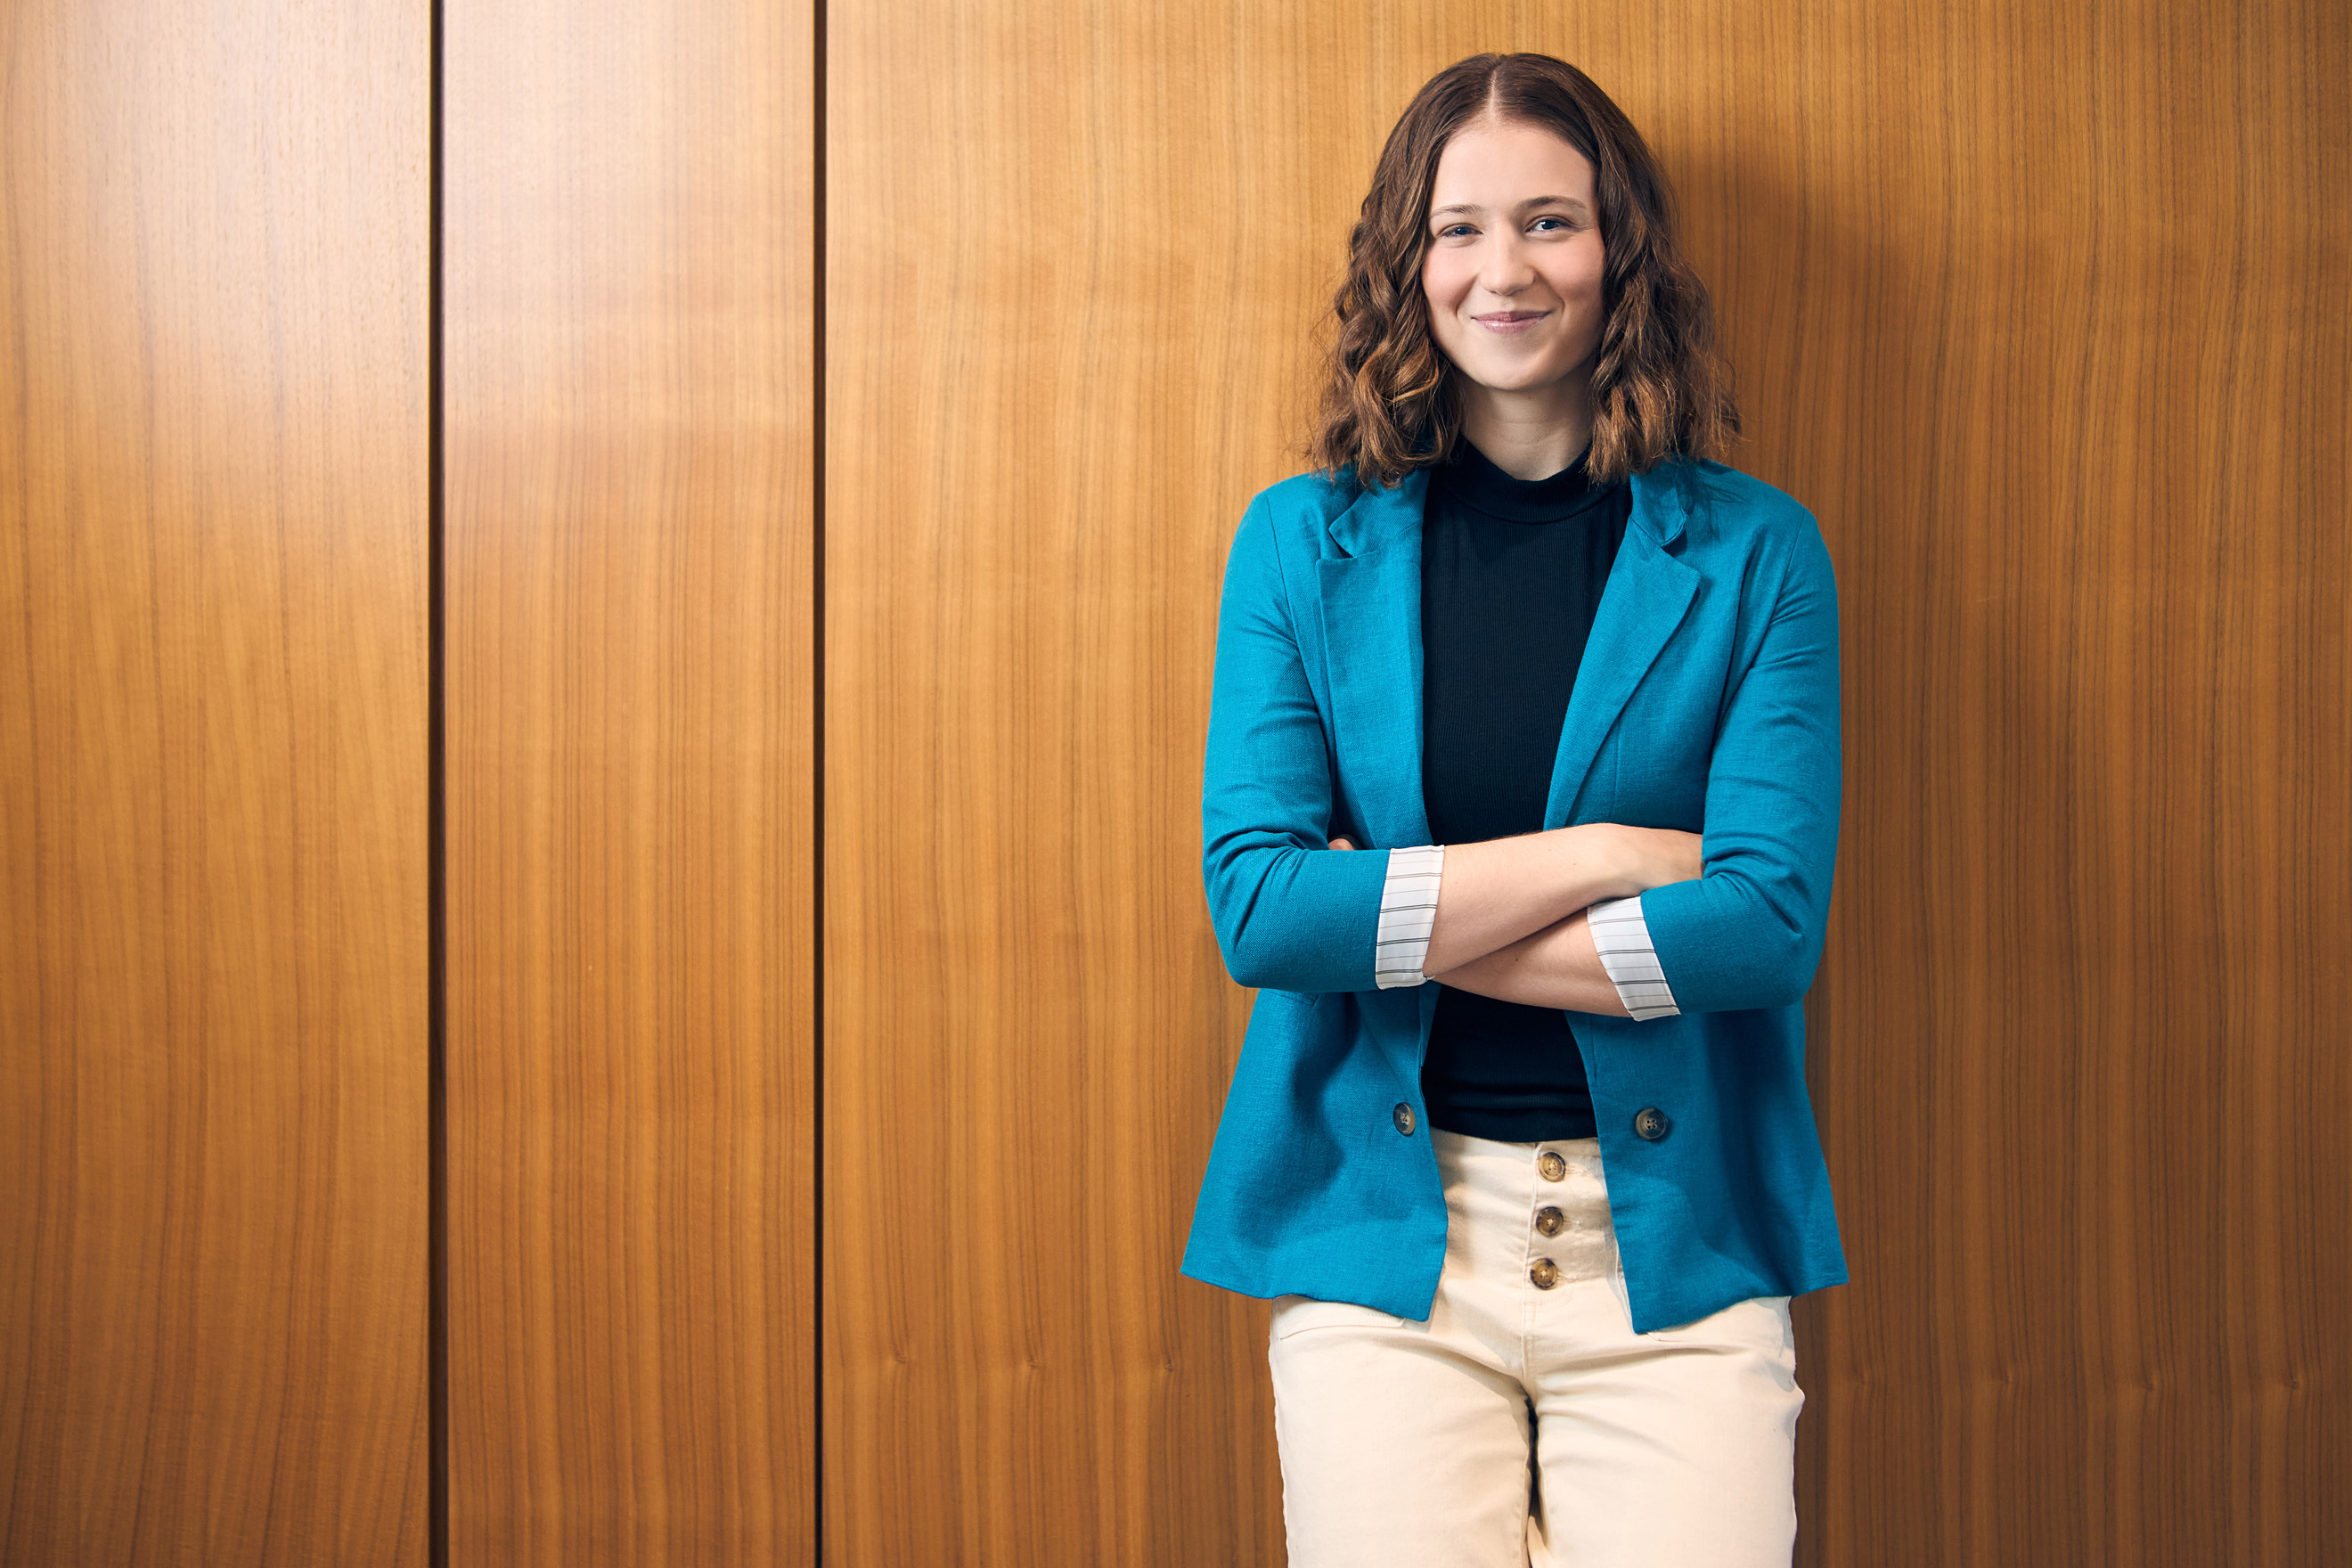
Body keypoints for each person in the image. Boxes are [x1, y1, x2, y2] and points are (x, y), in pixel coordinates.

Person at [1184, 52, 1847, 1568]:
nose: (1503, 270)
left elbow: (1761, 933)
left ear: (1620, 250)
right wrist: (1609, 860)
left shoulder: (1756, 555)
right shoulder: (1303, 547)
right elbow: (1264, 914)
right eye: (1459, 228)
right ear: (1408, 266)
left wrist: (1385, 916)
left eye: (1549, 222)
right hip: (1384, 1244)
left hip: (1674, 1250)